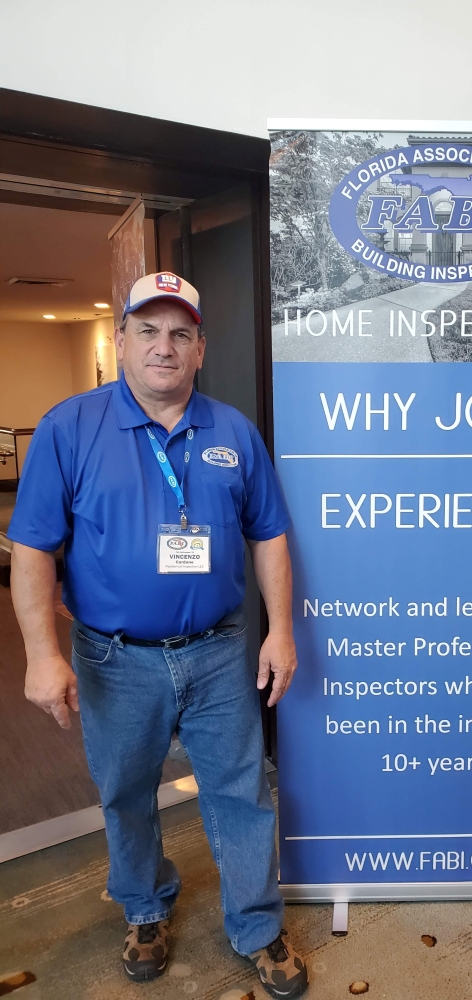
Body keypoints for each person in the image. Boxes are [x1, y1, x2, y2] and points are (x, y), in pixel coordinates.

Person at [8, 272, 308, 999]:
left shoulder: (233, 431)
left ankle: (258, 926)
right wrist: (42, 655)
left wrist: (281, 632)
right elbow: (32, 548)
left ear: (201, 348)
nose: (164, 347)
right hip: (115, 660)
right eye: (148, 330)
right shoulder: (68, 428)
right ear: (121, 342)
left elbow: (268, 533)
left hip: (217, 650)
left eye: (180, 333)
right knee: (125, 793)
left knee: (241, 791)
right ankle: (145, 908)